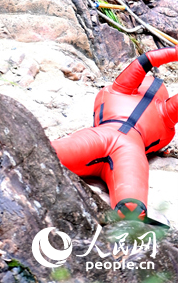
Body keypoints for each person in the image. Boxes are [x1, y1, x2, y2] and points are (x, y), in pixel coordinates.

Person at [51, 46, 178, 222]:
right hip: (128, 149)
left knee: (45, 154)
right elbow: (146, 61)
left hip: (105, 137)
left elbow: (147, 60)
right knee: (132, 209)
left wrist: (175, 52)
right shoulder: (163, 112)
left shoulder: (122, 89)